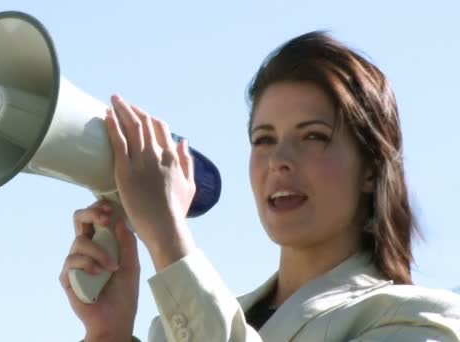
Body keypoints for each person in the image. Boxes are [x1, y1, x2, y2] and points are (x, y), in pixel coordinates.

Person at [59, 31, 460, 341]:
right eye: (263, 139)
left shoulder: (423, 320)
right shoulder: (171, 329)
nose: (279, 160)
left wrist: (167, 240)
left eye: (313, 136)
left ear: (371, 170)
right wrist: (107, 332)